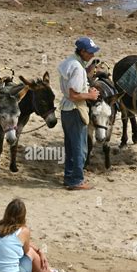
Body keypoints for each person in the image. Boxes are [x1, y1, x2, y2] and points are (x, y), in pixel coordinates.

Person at [0, 199, 65, 272]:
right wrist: (39, 252)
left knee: (17, 254)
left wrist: (39, 250)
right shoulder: (23, 230)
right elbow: (26, 250)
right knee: (30, 252)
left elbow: (18, 243)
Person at [58, 37, 100, 190]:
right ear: (82, 51)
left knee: (70, 146)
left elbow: (70, 90)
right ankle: (77, 180)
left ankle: (69, 177)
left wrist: (86, 90)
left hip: (66, 110)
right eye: (90, 52)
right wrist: (91, 96)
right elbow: (74, 95)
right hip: (75, 110)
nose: (92, 56)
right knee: (80, 148)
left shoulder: (68, 63)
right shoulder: (77, 68)